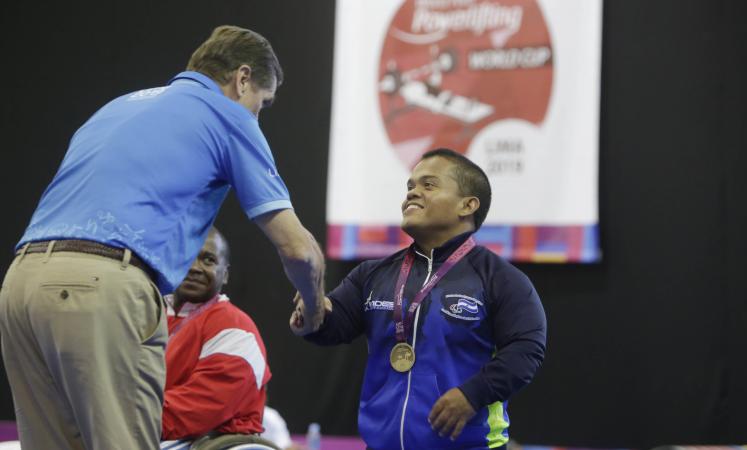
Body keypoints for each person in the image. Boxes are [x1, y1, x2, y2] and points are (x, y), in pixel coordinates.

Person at [0, 25, 326, 450]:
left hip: (20, 285)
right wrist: (316, 306)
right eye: (261, 104)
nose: (257, 116)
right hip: (101, 286)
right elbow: (299, 251)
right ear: (241, 78)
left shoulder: (116, 107)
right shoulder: (228, 115)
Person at [290, 148, 547, 450]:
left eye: (428, 185)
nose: (412, 194)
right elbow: (331, 328)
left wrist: (473, 394)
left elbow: (526, 350)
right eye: (410, 186)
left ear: (468, 205)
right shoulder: (372, 274)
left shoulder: (501, 279)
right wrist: (312, 309)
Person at [159, 228, 269, 446]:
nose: (194, 268)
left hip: (213, 441)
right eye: (186, 257)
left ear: (225, 274)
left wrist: (121, 418)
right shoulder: (149, 314)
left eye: (208, 260)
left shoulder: (236, 328)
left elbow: (198, 409)